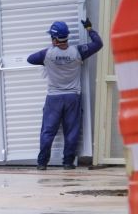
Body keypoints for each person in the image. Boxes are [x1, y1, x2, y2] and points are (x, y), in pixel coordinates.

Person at [27, 18, 103, 170]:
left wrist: (49, 60)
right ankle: (68, 162)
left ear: (54, 39)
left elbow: (30, 59)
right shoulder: (78, 52)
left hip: (54, 98)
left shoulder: (46, 54)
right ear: (66, 37)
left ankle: (42, 163)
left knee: (48, 131)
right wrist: (89, 29)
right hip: (72, 98)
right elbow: (98, 44)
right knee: (72, 130)